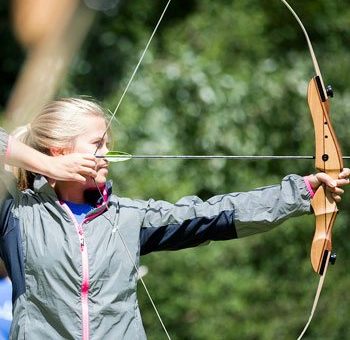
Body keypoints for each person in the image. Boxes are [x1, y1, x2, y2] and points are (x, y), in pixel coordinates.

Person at [0, 98, 349, 339]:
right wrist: (47, 166)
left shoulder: (128, 218)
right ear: (61, 151)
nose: (108, 153)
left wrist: (304, 192)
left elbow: (214, 214)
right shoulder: (16, 214)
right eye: (98, 144)